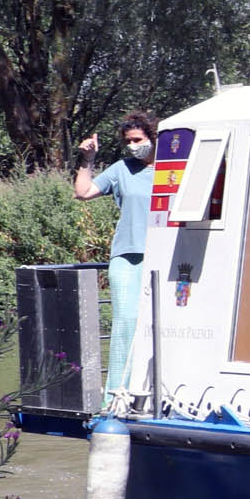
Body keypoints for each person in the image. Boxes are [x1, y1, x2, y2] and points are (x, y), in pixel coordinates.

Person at [74, 110, 159, 405]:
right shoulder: (122, 168)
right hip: (127, 256)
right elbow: (83, 192)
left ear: (153, 137)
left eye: (138, 139)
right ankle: (116, 396)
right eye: (128, 141)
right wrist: (87, 160)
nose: (133, 146)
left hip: (165, 256)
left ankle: (153, 392)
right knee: (126, 320)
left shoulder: (173, 168)